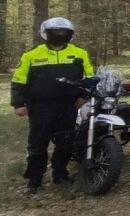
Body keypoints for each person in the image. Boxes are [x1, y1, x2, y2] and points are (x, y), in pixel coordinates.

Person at [11, 17, 94, 194]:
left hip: (68, 105)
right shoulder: (32, 54)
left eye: (63, 32)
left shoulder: (79, 53)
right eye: (55, 32)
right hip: (40, 106)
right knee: (37, 142)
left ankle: (60, 173)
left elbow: (89, 78)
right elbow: (19, 80)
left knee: (66, 140)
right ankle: (34, 179)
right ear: (46, 34)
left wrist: (83, 96)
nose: (59, 35)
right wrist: (18, 103)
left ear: (69, 34)